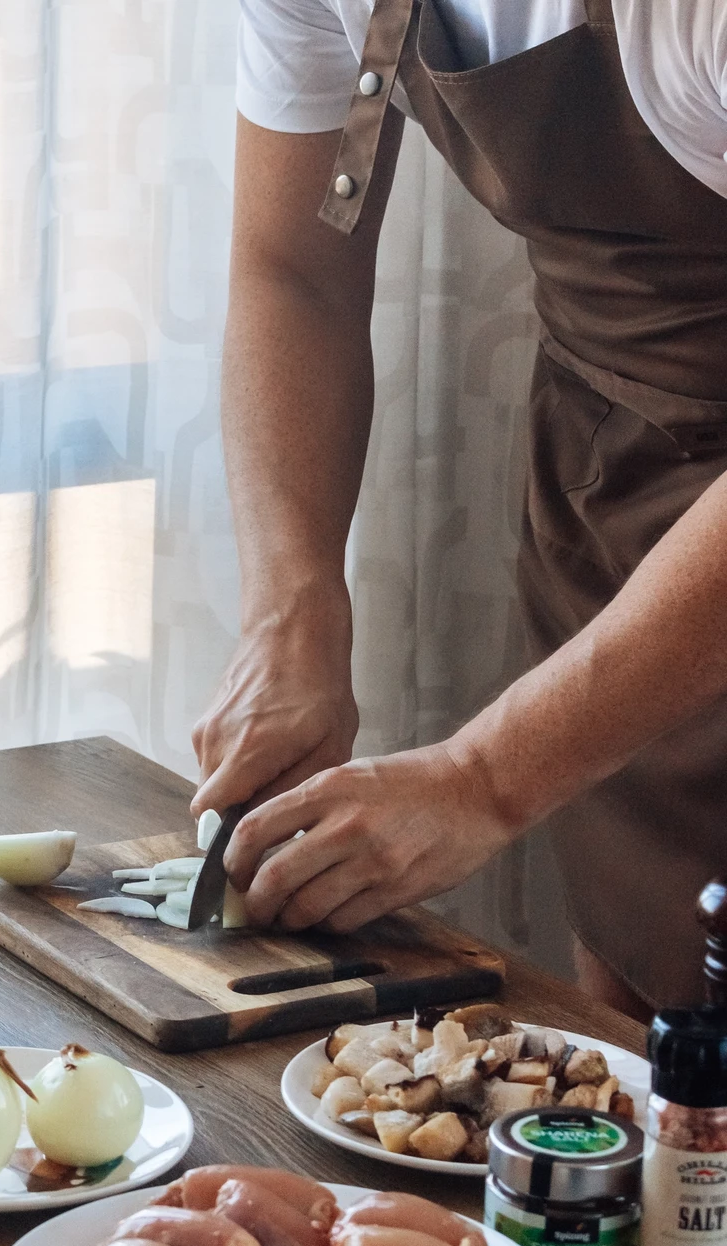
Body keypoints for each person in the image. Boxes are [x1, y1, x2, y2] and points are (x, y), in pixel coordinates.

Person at [191, 0, 727, 1019]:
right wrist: (292, 611)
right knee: (646, 1080)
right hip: (604, 519)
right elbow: (290, 271)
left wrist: (483, 780)